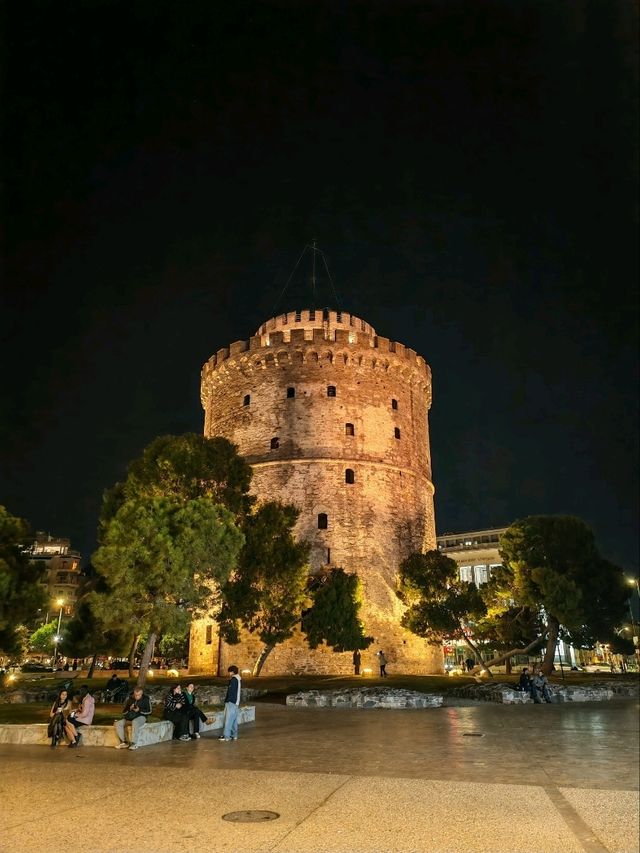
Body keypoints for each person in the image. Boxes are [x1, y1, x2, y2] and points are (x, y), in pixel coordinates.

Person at [219, 665, 241, 742]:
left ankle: (226, 736)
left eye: (229, 672)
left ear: (232, 672)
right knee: (234, 720)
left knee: (228, 720)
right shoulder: (238, 679)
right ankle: (234, 735)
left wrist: (227, 700)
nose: (229, 673)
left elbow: (231, 692)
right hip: (236, 702)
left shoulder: (234, 680)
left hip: (231, 702)